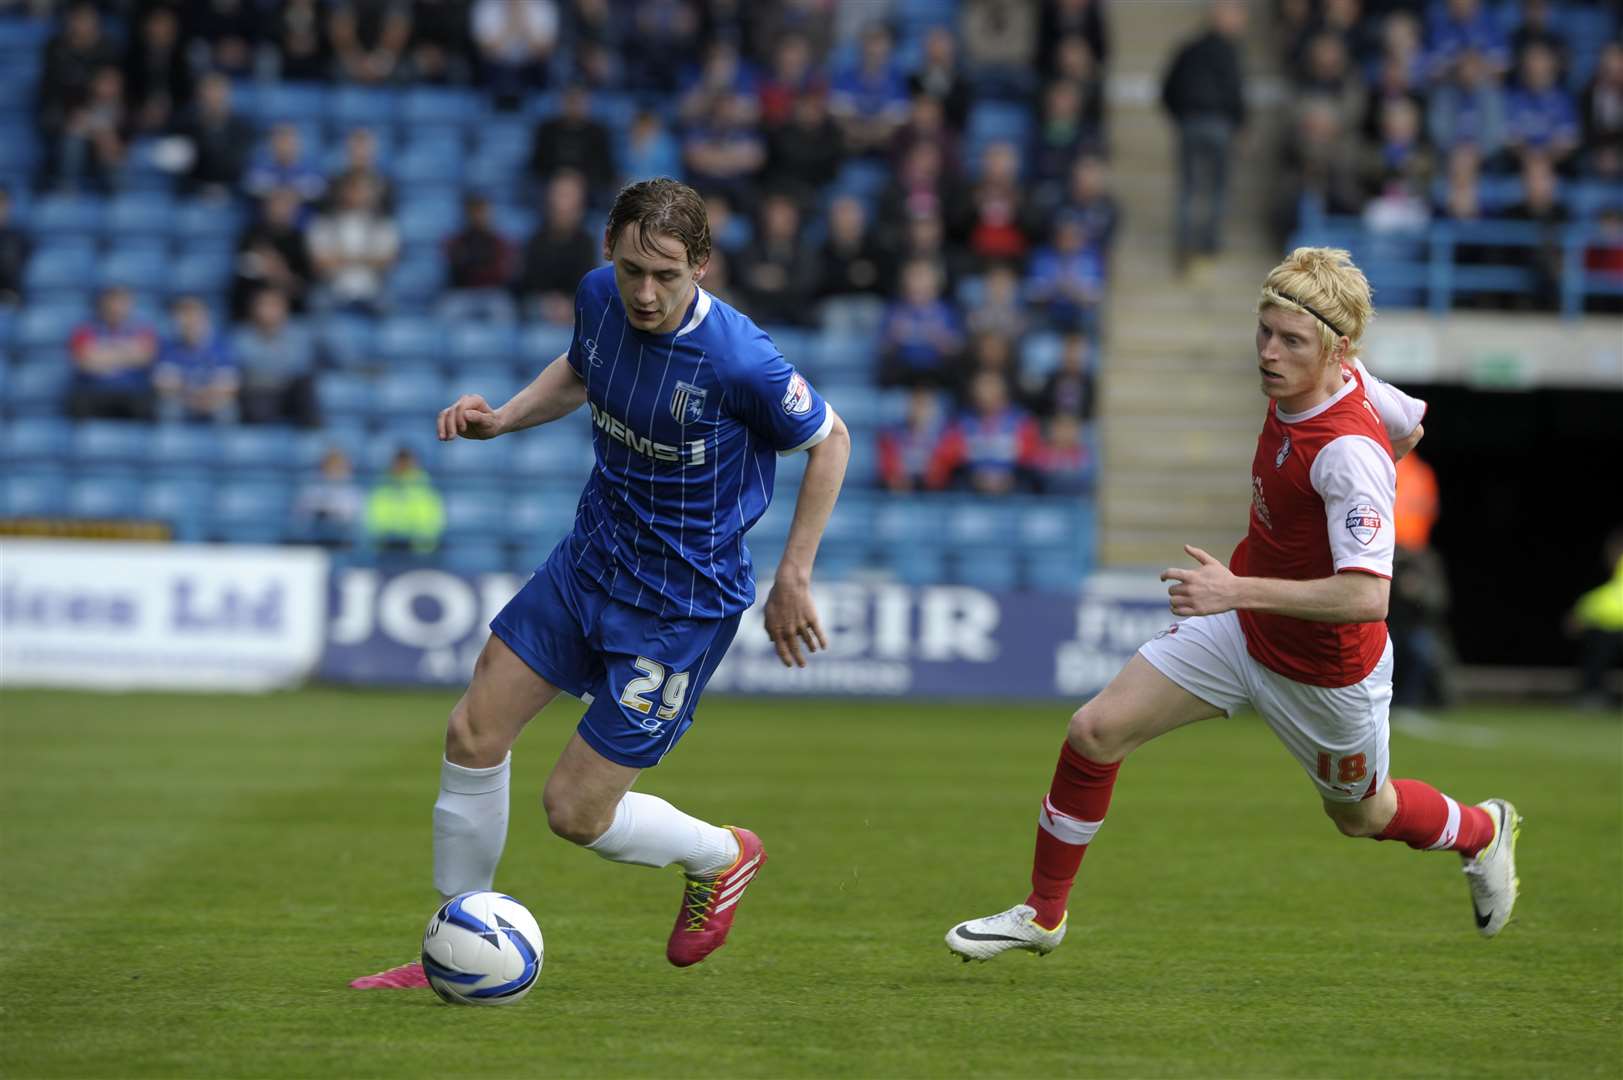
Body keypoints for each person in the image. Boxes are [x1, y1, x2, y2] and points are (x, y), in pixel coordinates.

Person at [945, 247, 1522, 964]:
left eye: (1290, 342)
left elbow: (1368, 597)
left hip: (1324, 673)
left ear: (1336, 351)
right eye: (1264, 332)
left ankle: (1480, 831)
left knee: (1362, 816)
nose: (1268, 354)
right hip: (1240, 629)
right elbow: (1410, 426)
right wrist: (1250, 591)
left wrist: (1239, 585)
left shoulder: (1345, 453)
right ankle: (1042, 913)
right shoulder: (1357, 385)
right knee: (1094, 731)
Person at [352, 177, 850, 989]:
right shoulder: (597, 298)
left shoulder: (738, 359)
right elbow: (582, 371)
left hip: (678, 605)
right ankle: (455, 938)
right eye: (629, 270)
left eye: (666, 276)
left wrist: (794, 574)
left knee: (574, 814)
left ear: (702, 267)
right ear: (606, 254)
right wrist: (505, 417)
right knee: (472, 733)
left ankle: (723, 856)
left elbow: (831, 439)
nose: (644, 293)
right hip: (589, 562)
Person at [1161, 0, 1247, 273]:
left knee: (1190, 188)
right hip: (1218, 125)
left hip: (1191, 123)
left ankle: (1186, 244)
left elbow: (1167, 88)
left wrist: (1181, 117)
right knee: (1215, 189)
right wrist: (1239, 122)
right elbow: (1236, 92)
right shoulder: (1230, 52)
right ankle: (1208, 245)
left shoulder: (1189, 48)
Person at [365, 446, 445, 554]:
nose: (402, 465)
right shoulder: (381, 490)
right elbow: (374, 523)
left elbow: (432, 525)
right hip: (388, 549)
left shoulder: (426, 491)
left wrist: (414, 539)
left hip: (419, 552)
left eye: (406, 461)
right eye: (399, 462)